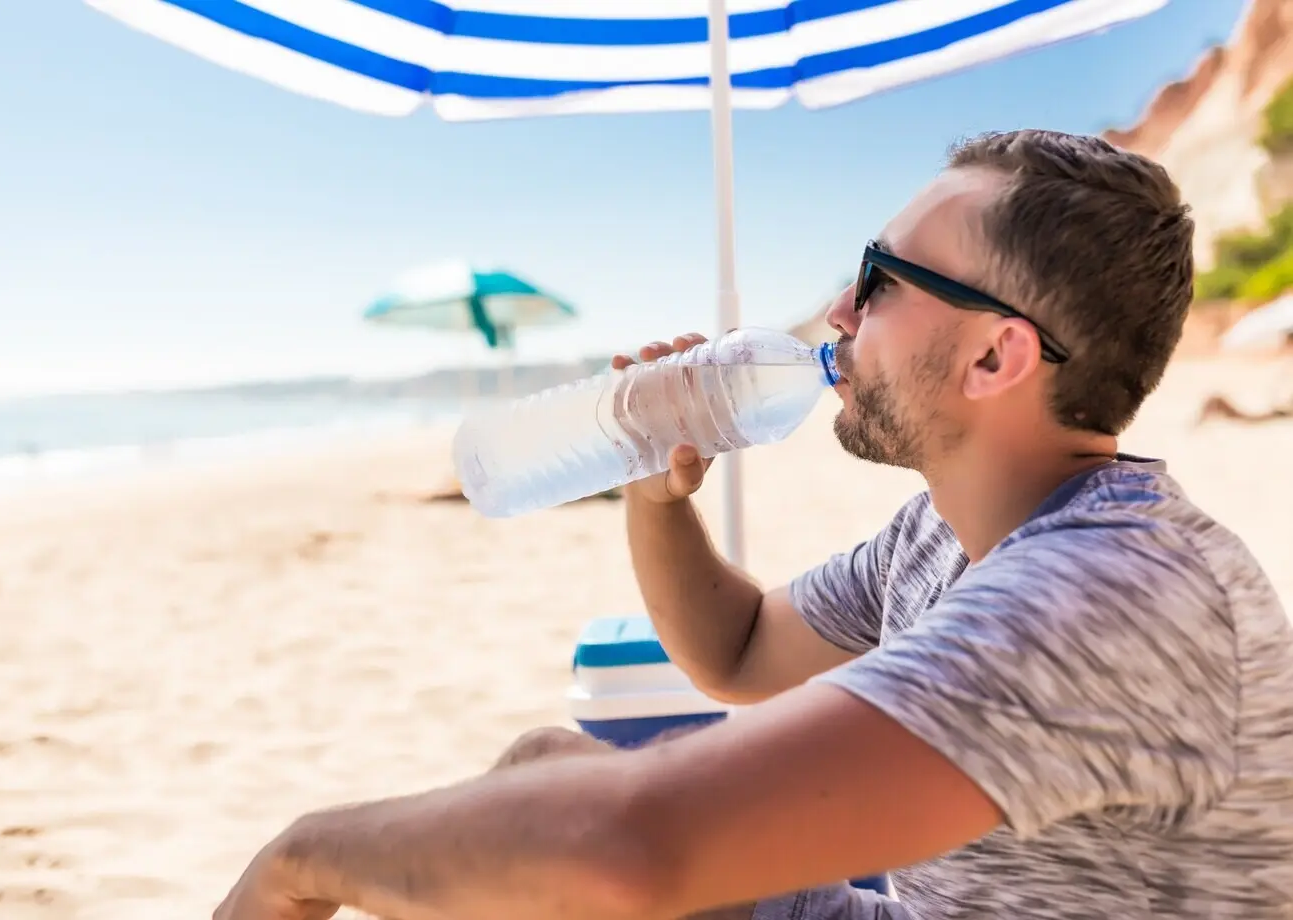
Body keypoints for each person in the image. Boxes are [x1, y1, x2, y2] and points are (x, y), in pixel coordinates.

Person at [212, 130, 1293, 920]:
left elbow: (633, 849)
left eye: (879, 281)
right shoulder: (942, 532)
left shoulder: (1110, 593)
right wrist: (653, 482)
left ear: (996, 357)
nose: (837, 311)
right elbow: (733, 651)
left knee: (576, 843)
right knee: (546, 766)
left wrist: (306, 853)